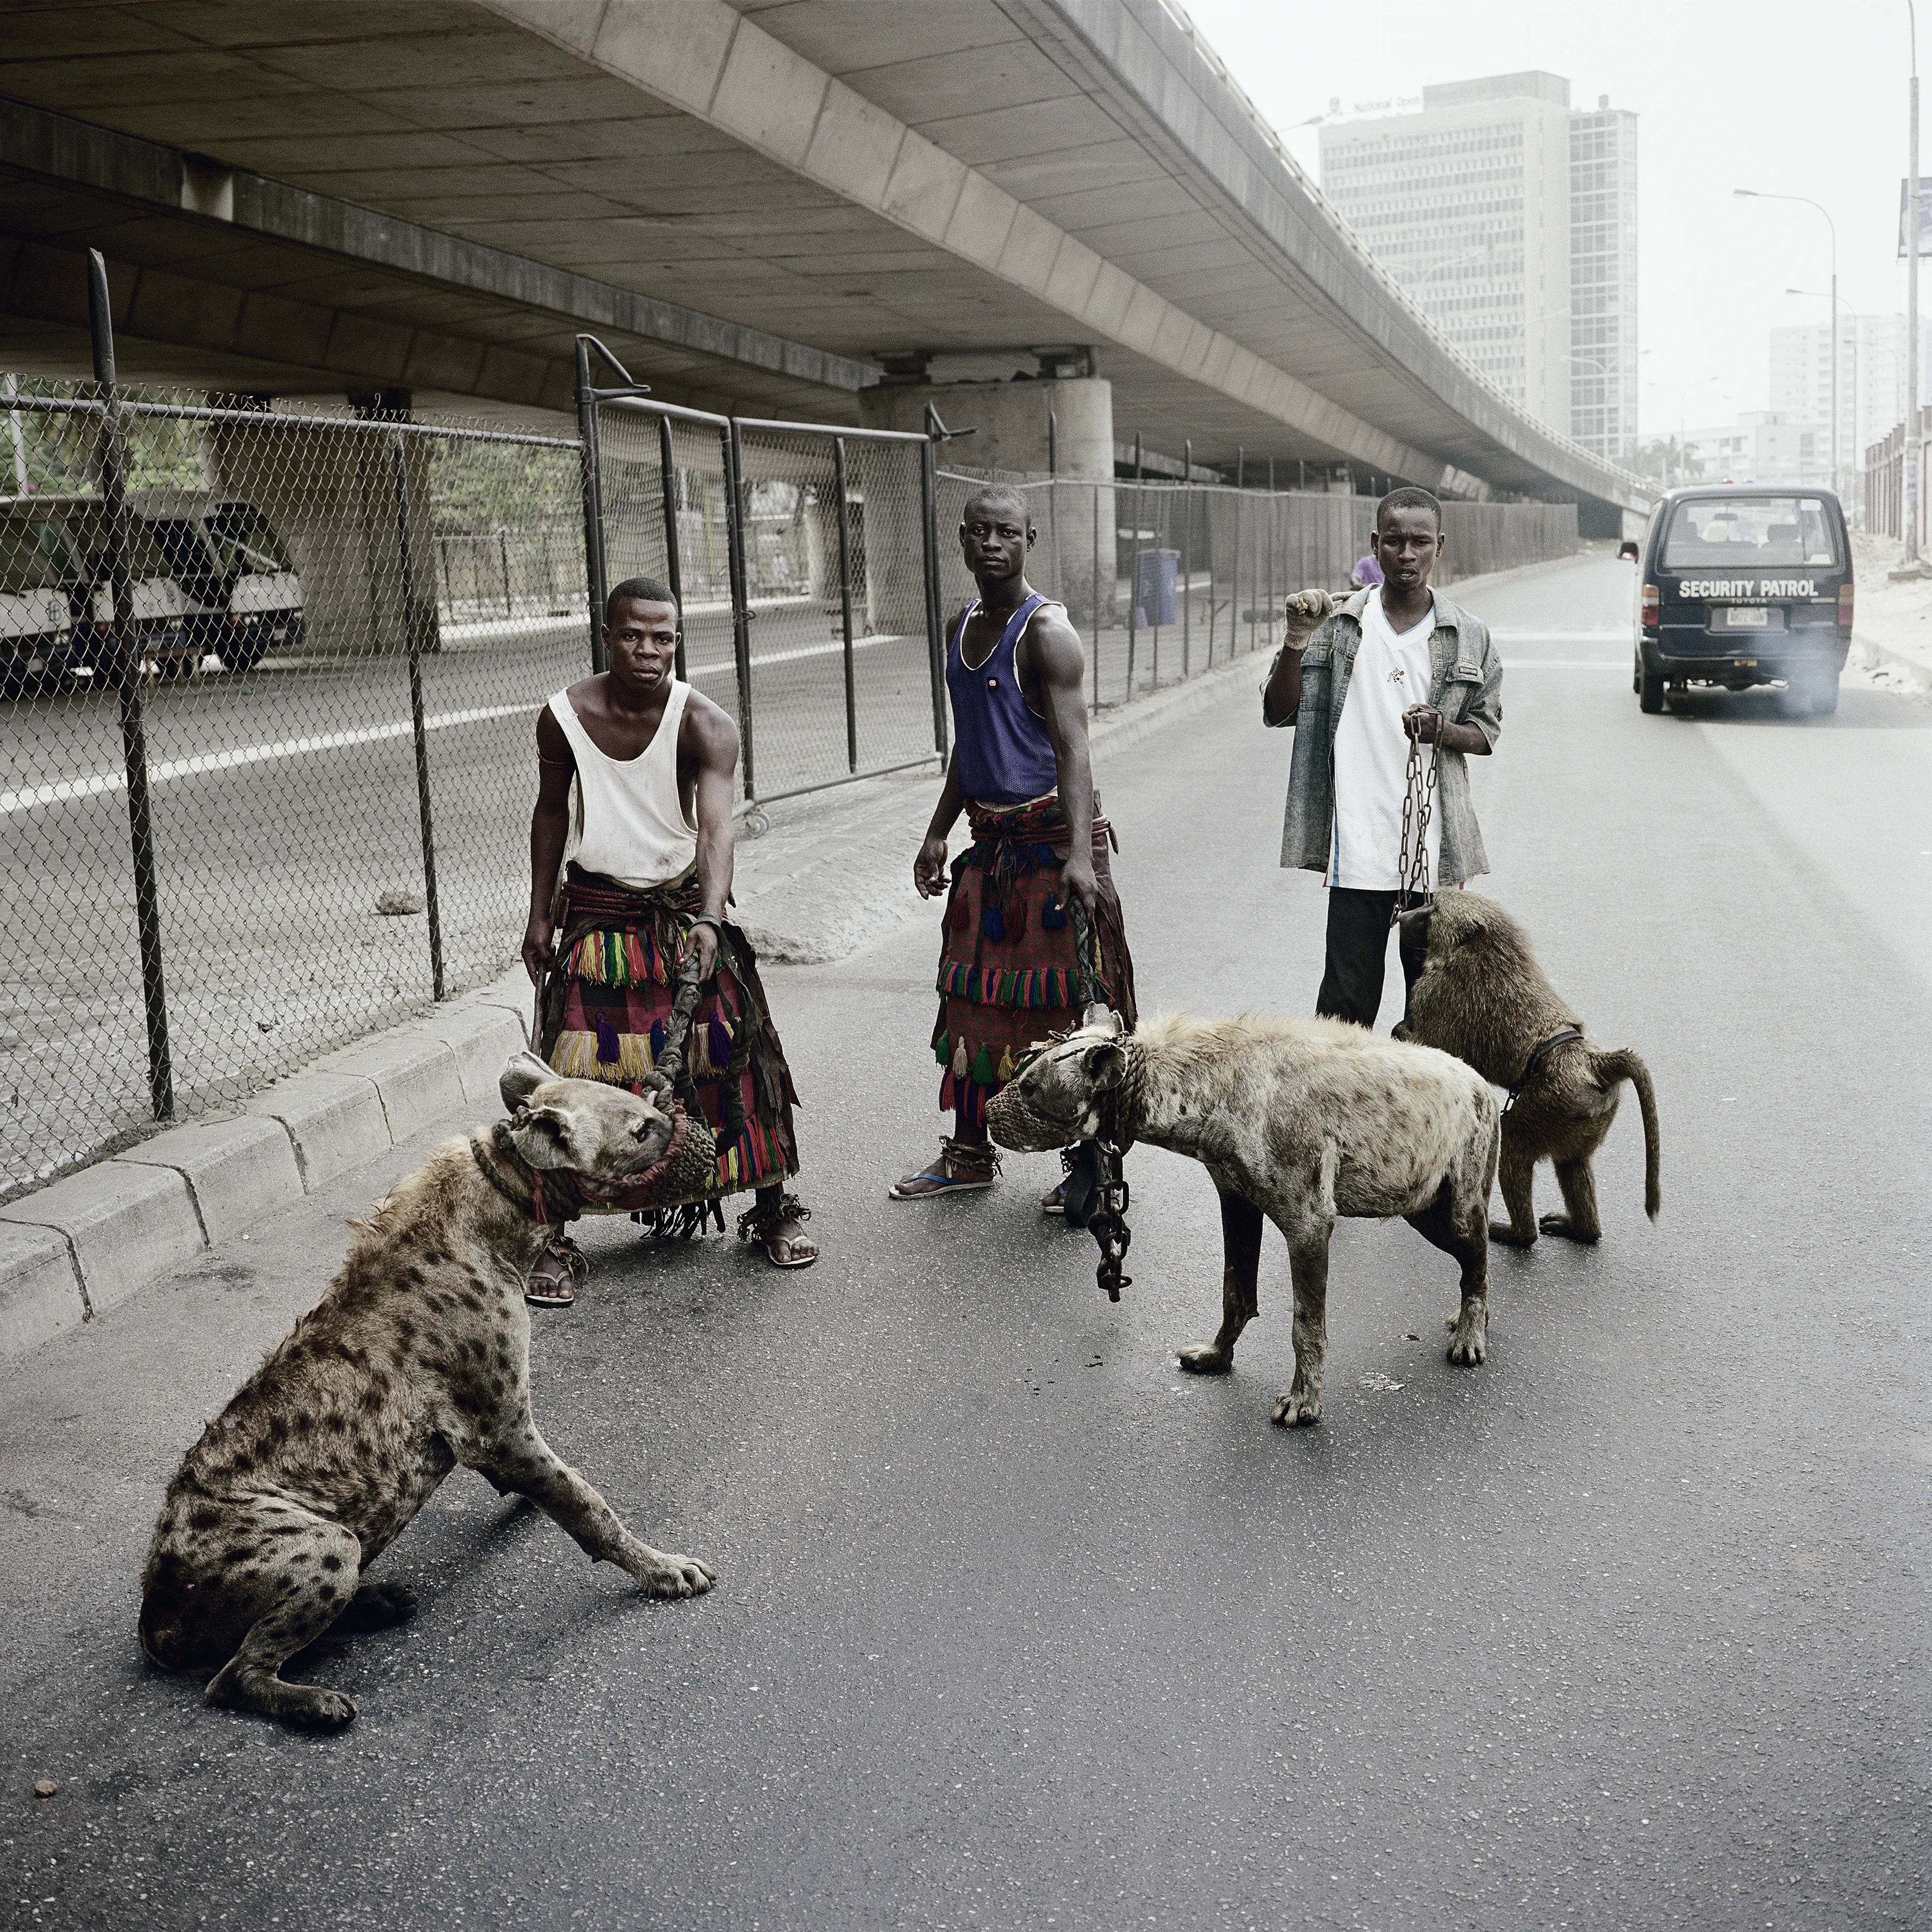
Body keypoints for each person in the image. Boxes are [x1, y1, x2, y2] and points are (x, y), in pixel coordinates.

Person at [520, 577, 815, 1304]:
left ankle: (772, 1207)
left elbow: (716, 829)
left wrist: (711, 918)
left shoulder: (704, 723)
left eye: (664, 637)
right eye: (633, 635)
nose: (649, 650)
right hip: (594, 915)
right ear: (607, 635)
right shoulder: (563, 717)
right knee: (574, 1076)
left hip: (684, 908)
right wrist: (538, 914)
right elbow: (551, 815)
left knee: (731, 1060)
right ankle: (554, 1236)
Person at [892, 485, 1136, 1204]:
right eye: (979, 532)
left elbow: (1074, 748)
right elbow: (972, 743)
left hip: (1055, 843)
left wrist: (1082, 857)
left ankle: (1092, 1169)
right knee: (973, 1003)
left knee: (1073, 1013)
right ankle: (969, 1155)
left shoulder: (1048, 633)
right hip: (989, 843)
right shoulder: (956, 626)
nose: (992, 544)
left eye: (1008, 532)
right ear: (961, 540)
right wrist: (939, 829)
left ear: (1030, 539)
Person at [1262, 486, 1502, 1030]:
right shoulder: (1336, 623)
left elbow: (1486, 732)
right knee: (1344, 1013)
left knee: (1432, 1015)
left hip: (1432, 850)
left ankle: (1426, 1117)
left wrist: (1442, 730)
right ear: (1375, 545)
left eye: (1420, 542)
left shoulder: (1469, 636)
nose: (1407, 554)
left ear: (1439, 546)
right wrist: (1296, 642)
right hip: (1358, 847)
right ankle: (1340, 1114)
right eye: (1394, 541)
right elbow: (1279, 712)